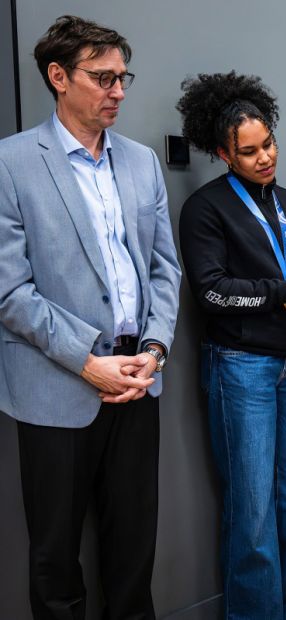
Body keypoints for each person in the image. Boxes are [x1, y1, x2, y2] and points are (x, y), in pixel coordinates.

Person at [0, 15, 181, 619]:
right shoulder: (12, 162)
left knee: (134, 554)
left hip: (139, 380)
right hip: (57, 387)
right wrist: (87, 361)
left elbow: (164, 270)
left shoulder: (140, 162)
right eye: (102, 78)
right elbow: (10, 293)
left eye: (122, 77)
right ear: (58, 77)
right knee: (55, 562)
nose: (119, 91)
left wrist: (152, 353)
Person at [177, 72, 286, 619]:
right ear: (224, 153)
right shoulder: (205, 209)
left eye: (268, 143)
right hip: (241, 367)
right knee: (252, 508)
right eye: (249, 152)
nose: (265, 157)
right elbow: (214, 293)